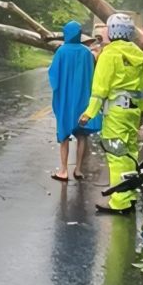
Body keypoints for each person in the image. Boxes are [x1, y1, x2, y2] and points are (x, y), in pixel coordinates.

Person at [79, 13, 143, 215]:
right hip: (133, 111)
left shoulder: (109, 54)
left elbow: (100, 88)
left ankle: (119, 202)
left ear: (112, 31)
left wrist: (88, 113)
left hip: (116, 113)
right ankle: (130, 195)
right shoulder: (138, 54)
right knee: (130, 153)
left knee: (116, 155)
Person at [48, 20, 101, 182]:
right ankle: (78, 169)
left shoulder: (61, 52)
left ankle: (63, 170)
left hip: (65, 98)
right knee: (82, 135)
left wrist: (58, 89)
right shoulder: (86, 53)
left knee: (64, 135)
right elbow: (93, 76)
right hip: (82, 98)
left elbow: (53, 75)